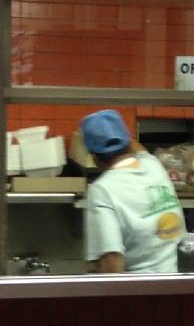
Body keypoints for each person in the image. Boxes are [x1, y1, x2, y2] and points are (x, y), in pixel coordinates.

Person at [80, 109, 186, 274]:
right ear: (127, 142)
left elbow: (112, 263)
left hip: (137, 292)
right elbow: (138, 149)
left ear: (94, 158)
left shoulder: (102, 190)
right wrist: (116, 129)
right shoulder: (153, 166)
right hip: (171, 283)